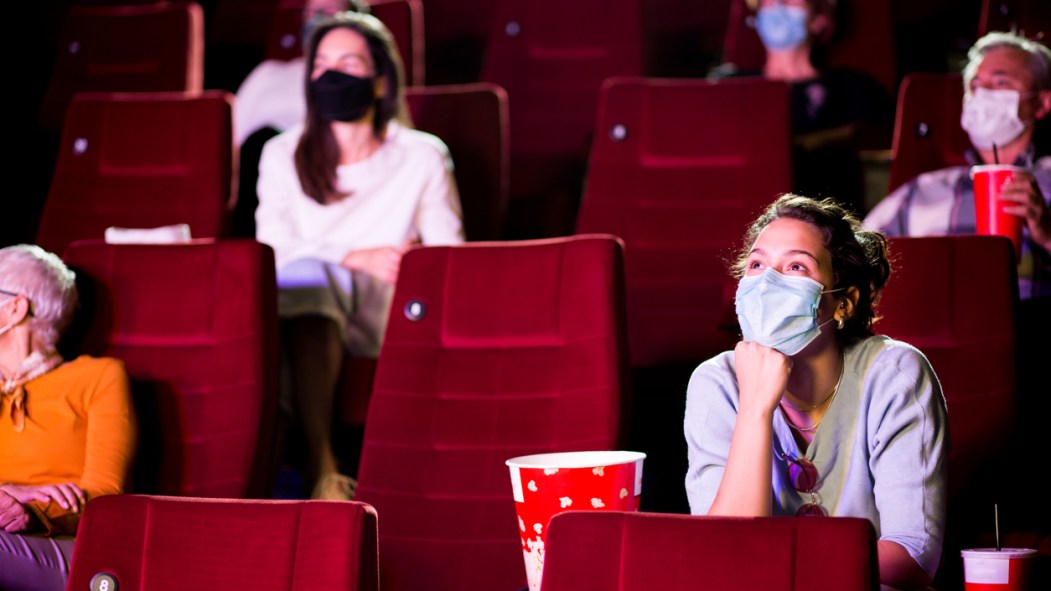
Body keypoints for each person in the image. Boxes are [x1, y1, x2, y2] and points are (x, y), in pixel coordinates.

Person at [684, 194, 949, 590]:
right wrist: (756, 407)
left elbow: (911, 556)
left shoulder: (897, 375)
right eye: (757, 265)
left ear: (842, 304)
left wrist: (778, 565)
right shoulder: (716, 383)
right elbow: (725, 557)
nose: (768, 281)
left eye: (795, 266)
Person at [255, 11, 464, 501]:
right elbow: (270, 251)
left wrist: (396, 265)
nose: (331, 75)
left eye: (348, 63)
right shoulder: (281, 154)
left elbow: (449, 260)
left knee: (308, 278)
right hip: (297, 310)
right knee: (306, 278)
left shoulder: (422, 156)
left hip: (384, 311)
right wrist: (354, 255)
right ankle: (323, 462)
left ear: (378, 81)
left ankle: (307, 465)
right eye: (321, 63)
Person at [864, 31, 1051, 300]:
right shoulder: (923, 189)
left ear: (1043, 102)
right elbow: (856, 258)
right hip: (931, 329)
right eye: (974, 85)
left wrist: (1046, 234)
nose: (982, 93)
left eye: (1000, 82)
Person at [0, 245, 136, 591]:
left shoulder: (98, 376)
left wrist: (31, 510)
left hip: (69, 545)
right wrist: (8, 491)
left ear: (15, 308)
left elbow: (106, 497)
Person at [710, 0, 893, 212]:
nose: (778, 6)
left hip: (820, 214)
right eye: (768, 2)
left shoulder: (851, 88)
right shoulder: (728, 85)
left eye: (790, 1)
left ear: (820, 19)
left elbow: (865, 139)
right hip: (742, 209)